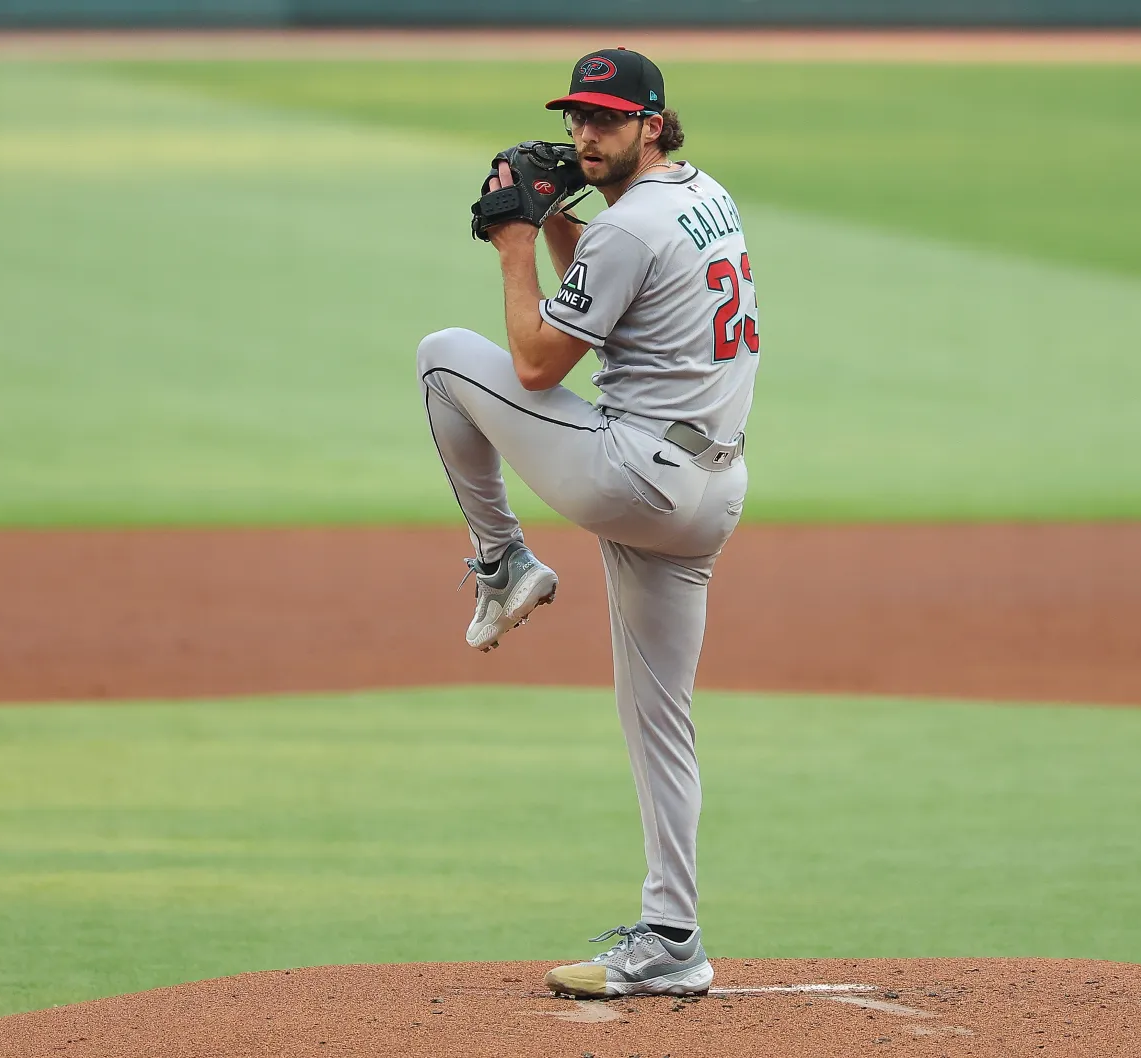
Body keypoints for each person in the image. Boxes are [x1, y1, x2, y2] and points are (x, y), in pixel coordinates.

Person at [415, 47, 759, 999]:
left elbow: (534, 366)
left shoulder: (626, 231)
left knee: (444, 358)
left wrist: (517, 238)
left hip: (632, 476)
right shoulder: (701, 195)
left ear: (654, 121)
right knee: (658, 717)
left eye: (605, 119)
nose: (582, 135)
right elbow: (604, 303)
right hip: (709, 493)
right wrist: (566, 222)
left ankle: (500, 563)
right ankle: (672, 938)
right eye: (576, 117)